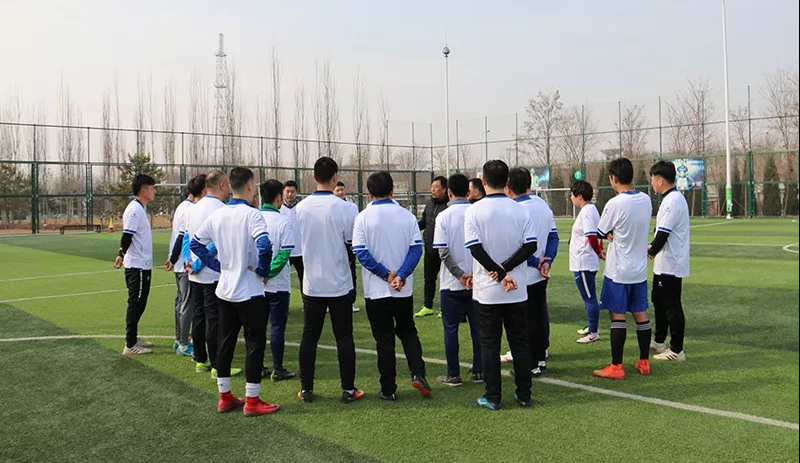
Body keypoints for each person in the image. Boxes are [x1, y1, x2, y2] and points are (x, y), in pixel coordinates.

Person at [191, 167, 279, 416]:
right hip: (249, 290)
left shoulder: (218, 215)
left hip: (225, 289)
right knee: (254, 344)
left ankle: (225, 396)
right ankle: (252, 400)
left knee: (225, 342)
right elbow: (264, 245)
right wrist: (263, 269)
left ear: (230, 186)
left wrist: (217, 265)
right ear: (250, 186)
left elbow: (196, 243)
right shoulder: (252, 215)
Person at [353, 171, 431, 401]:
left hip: (377, 291)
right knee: (407, 331)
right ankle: (418, 373)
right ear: (392, 191)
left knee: (384, 340)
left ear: (369, 193)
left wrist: (387, 275)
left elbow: (361, 253)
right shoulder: (406, 216)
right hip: (402, 289)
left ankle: (388, 389)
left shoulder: (363, 217)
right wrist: (401, 275)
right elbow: (416, 249)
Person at [466, 159, 538, 410]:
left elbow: (475, 249)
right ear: (507, 182)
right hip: (517, 289)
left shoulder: (474, 211)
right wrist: (505, 269)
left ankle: (493, 396)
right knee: (520, 342)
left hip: (487, 291)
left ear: (483, 182)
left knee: (489, 344)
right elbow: (531, 246)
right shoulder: (521, 209)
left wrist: (498, 271)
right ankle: (524, 394)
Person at [296, 156, 363, 404]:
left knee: (309, 337)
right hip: (340, 283)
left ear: (314, 177)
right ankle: (348, 389)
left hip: (312, 284)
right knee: (344, 337)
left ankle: (306, 388)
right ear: (335, 177)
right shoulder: (347, 208)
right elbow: (351, 244)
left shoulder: (300, 208)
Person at [593, 157, 653, 380]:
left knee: (617, 316)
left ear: (613, 178)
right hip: (639, 269)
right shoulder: (646, 200)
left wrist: (611, 233)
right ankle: (644, 361)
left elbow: (600, 232)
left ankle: (617, 366)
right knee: (640, 313)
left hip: (618, 270)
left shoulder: (615, 203)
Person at [186, 170, 241, 378]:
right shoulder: (221, 209)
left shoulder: (193, 207)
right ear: (222, 185)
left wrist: (190, 262)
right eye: (227, 185)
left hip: (194, 271)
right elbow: (216, 243)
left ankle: (201, 359)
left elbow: (188, 238)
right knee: (214, 318)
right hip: (211, 271)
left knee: (199, 315)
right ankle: (218, 364)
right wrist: (200, 263)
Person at [505, 167, 559, 377]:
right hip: (541, 274)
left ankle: (531, 364)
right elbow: (553, 237)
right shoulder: (542, 205)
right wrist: (547, 261)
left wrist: (536, 262)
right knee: (539, 315)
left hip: (524, 274)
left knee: (525, 320)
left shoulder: (515, 210)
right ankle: (540, 357)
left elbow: (516, 247)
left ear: (508, 186)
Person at [432, 173, 483, 386]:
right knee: (477, 328)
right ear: (468, 191)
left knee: (450, 328)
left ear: (449, 192)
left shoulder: (443, 216)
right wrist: (469, 274)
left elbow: (443, 252)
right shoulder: (478, 213)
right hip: (478, 282)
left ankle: (453, 373)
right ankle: (479, 370)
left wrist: (460, 275)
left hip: (451, 284)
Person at [648, 161, 689, 362]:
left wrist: (649, 251)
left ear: (660, 180)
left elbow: (663, 234)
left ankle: (677, 350)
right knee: (658, 301)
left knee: (672, 305)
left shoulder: (672, 201)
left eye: (652, 179)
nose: (652, 183)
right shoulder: (671, 199)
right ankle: (659, 341)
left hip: (671, 263)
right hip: (664, 263)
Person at [258, 179, 297, 381]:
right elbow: (284, 254)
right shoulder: (283, 221)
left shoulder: (253, 218)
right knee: (277, 327)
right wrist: (269, 272)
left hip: (256, 283)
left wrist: (261, 271)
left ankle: (257, 366)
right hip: (278, 284)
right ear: (278, 197)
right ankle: (277, 368)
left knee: (257, 327)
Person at [114, 174, 156, 355]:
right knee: (135, 303)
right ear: (144, 190)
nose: (155, 191)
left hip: (143, 264)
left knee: (141, 302)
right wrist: (121, 254)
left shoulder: (141, 208)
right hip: (137, 266)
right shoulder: (134, 210)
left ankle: (133, 338)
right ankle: (130, 344)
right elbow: (127, 235)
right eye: (152, 188)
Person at [165, 175, 206, 356]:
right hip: (185, 264)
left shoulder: (183, 206)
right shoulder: (190, 209)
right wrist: (174, 258)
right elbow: (183, 236)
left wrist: (173, 258)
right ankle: (183, 343)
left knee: (181, 301)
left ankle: (179, 339)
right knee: (187, 303)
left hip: (181, 263)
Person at [568, 180, 603, 344]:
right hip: (584, 261)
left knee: (589, 297)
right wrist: (599, 250)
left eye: (572, 195)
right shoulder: (590, 210)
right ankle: (591, 326)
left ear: (579, 196)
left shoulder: (588, 212)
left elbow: (592, 236)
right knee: (588, 296)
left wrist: (599, 252)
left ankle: (593, 332)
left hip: (584, 262)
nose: (571, 198)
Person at [415, 176, 449, 318]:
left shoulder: (449, 206)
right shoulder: (429, 204)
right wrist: (412, 229)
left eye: (436, 187)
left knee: (445, 279)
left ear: (444, 189)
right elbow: (424, 222)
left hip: (444, 249)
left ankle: (445, 308)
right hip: (429, 247)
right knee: (429, 278)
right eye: (432, 187)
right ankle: (427, 306)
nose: (433, 189)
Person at [334, 180, 361, 313]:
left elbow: (355, 226)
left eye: (342, 190)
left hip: (349, 244)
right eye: (337, 190)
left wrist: (352, 244)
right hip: (334, 244)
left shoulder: (352, 207)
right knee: (334, 271)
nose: (340, 192)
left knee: (350, 272)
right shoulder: (331, 207)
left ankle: (351, 301)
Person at [280, 180, 304, 294]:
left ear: (296, 192)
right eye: (287, 191)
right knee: (282, 280)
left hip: (300, 251)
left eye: (292, 191)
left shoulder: (301, 208)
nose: (290, 194)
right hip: (285, 252)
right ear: (283, 192)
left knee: (304, 280)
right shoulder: (278, 209)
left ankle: (306, 302)